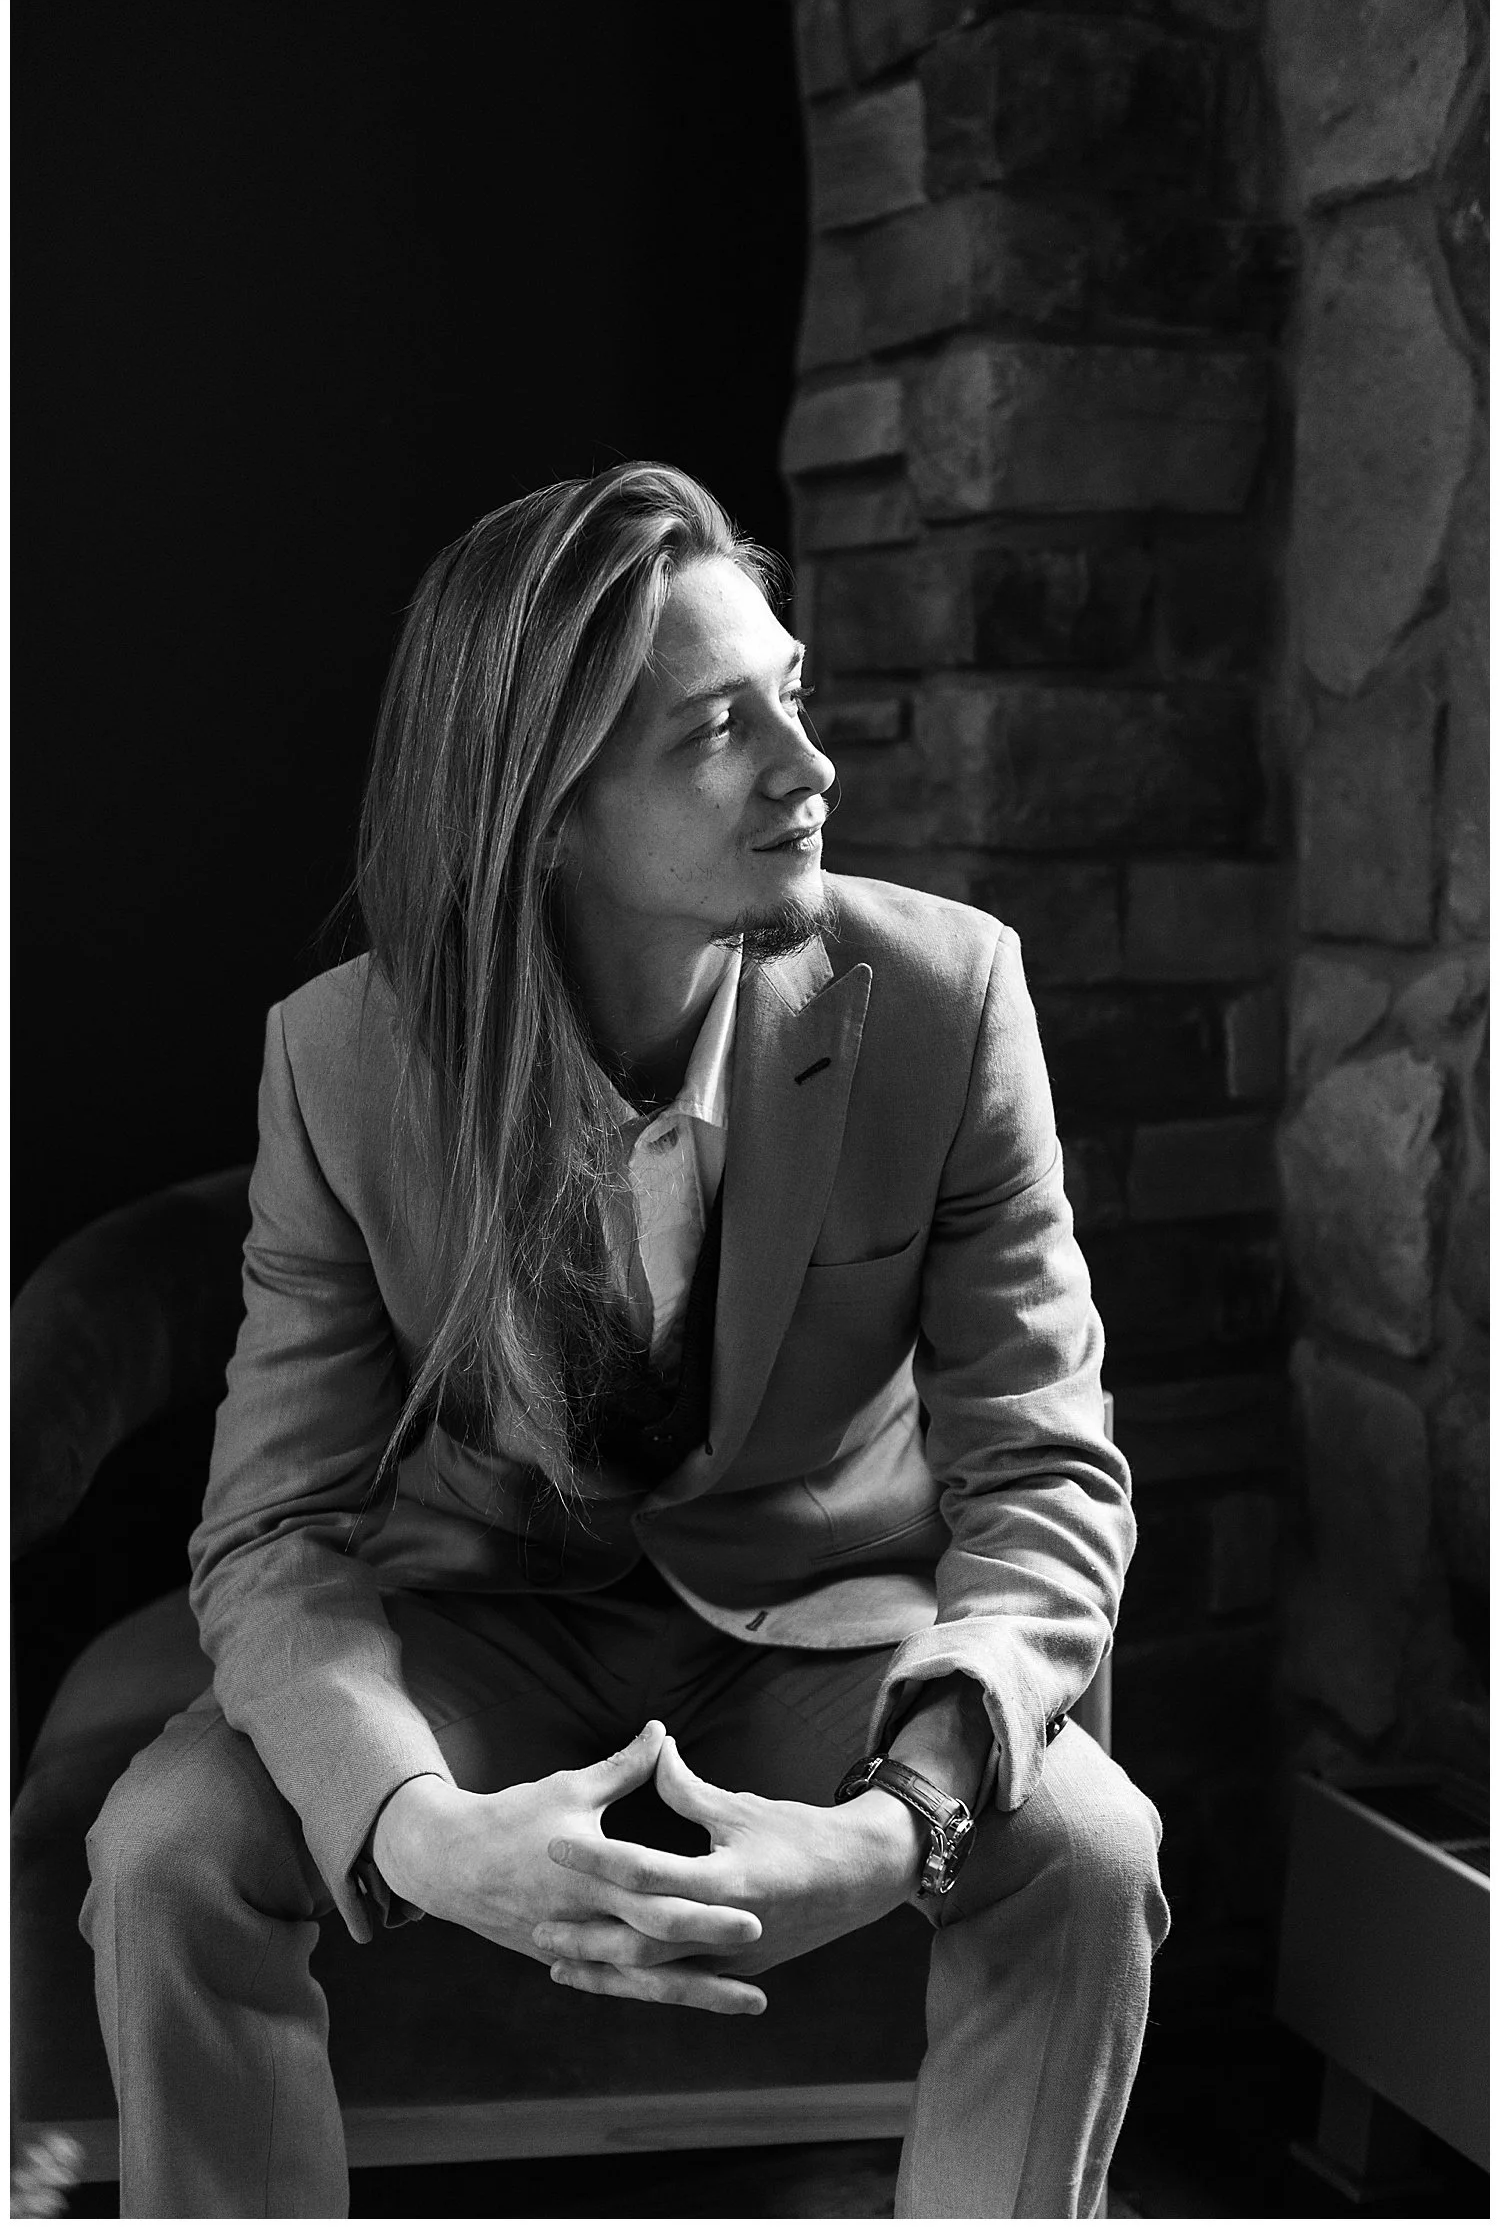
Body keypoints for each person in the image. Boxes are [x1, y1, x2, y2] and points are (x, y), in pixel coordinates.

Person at [82, 461, 1168, 2218]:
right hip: (485, 1620)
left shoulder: (947, 1001)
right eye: (721, 731)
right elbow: (274, 1525)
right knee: (164, 1850)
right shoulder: (344, 1061)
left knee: (1093, 1853)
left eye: (791, 695)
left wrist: (897, 1821)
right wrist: (417, 1826)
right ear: (545, 813)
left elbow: (1045, 1465)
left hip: (818, 1620)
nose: (810, 768)